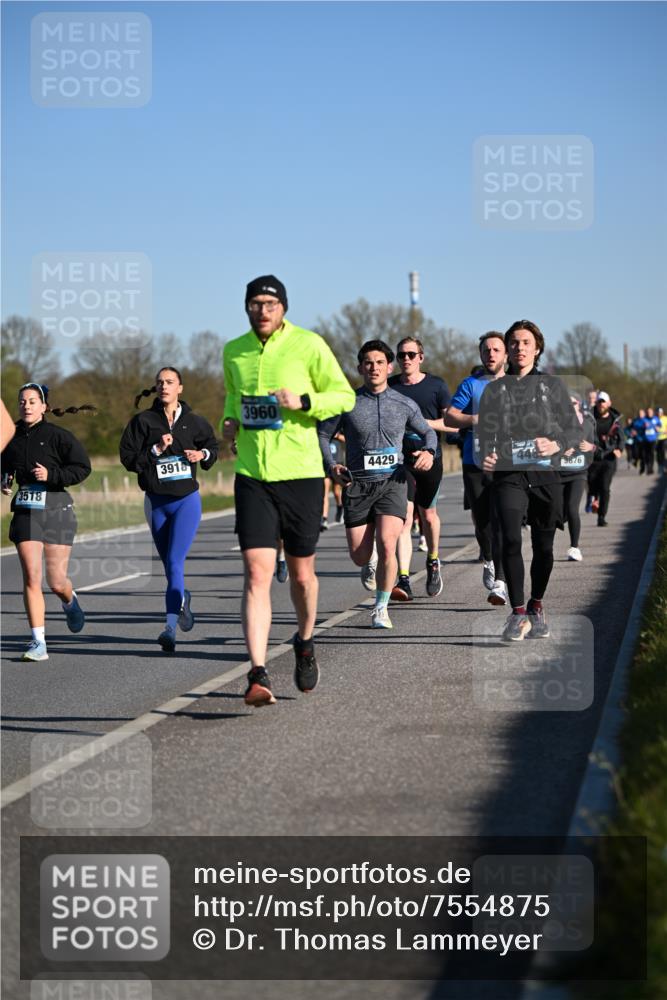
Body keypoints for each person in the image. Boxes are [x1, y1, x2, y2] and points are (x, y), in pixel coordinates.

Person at [222, 275, 355, 706]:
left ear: (283, 308)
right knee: (258, 574)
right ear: (246, 307)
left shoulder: (309, 345)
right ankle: (257, 673)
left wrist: (303, 401)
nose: (262, 310)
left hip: (299, 474)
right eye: (255, 303)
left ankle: (305, 640)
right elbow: (232, 398)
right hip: (252, 475)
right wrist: (229, 422)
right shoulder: (234, 351)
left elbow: (344, 396)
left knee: (301, 577)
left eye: (270, 303)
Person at [318, 340, 437, 630]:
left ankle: (381, 607)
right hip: (357, 485)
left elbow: (428, 433)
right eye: (368, 363)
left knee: (388, 544)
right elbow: (322, 435)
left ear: (389, 367)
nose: (374, 367)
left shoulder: (404, 403)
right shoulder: (348, 402)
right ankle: (369, 559)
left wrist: (428, 453)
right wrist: (331, 466)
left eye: (380, 362)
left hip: (392, 483)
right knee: (360, 555)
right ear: (360, 368)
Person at [477, 320, 582, 642]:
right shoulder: (495, 389)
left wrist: (558, 444)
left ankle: (537, 605)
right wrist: (488, 456)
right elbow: (486, 435)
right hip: (509, 475)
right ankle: (518, 612)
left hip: (546, 475)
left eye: (526, 342)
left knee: (544, 547)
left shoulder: (553, 386)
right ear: (507, 349)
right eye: (514, 342)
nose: (519, 347)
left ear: (537, 349)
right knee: (509, 539)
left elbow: (575, 432)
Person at [120, 367, 218, 652]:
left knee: (175, 562)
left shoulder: (195, 422)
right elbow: (127, 456)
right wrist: (155, 451)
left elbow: (213, 447)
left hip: (186, 500)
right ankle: (182, 597)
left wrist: (202, 454)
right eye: (160, 382)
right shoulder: (143, 422)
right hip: (155, 502)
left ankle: (169, 629)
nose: (164, 386)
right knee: (169, 567)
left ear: (180, 388)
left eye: (170, 382)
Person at [1, 383, 93, 661]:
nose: (26, 406)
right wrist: (5, 480)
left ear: (44, 406)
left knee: (55, 582)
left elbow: (82, 468)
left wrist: (51, 475)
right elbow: (4, 465)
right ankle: (38, 642)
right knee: (31, 577)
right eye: (22, 402)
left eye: (32, 401)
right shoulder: (10, 437)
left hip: (57, 511)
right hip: (27, 512)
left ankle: (69, 599)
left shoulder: (58, 436)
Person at [387, 337, 452, 600]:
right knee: (404, 517)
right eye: (401, 355)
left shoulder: (436, 386)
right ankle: (403, 578)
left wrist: (423, 425)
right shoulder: (390, 387)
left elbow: (453, 424)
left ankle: (433, 560)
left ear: (421, 357)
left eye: (411, 355)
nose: (406, 359)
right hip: (400, 462)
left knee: (428, 515)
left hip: (429, 459)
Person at [447, 332, 508, 605]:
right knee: (483, 523)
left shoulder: (519, 384)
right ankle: (489, 557)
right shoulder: (470, 384)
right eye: (486, 350)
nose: (491, 354)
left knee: (505, 522)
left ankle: (501, 583)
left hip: (509, 465)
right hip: (475, 463)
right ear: (480, 354)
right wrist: (474, 418)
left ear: (505, 353)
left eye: (496, 349)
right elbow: (450, 416)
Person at [560, 393, 596, 560]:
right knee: (557, 511)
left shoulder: (588, 424)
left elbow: (597, 448)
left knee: (572, 507)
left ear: (579, 405)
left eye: (573, 403)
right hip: (558, 473)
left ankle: (574, 547)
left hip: (578, 472)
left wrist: (591, 446)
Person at [587, 391, 623, 527]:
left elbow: (621, 438)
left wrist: (619, 448)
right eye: (599, 402)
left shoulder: (616, 420)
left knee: (605, 487)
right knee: (592, 484)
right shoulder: (590, 418)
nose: (601, 404)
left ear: (609, 403)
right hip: (593, 458)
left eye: (603, 402)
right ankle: (594, 499)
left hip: (609, 458)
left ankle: (601, 516)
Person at [321, 432, 345, 529]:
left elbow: (347, 439)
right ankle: (324, 519)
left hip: (337, 464)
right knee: (324, 493)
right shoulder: (323, 428)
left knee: (336, 492)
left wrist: (337, 436)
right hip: (326, 464)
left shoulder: (339, 424)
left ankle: (340, 506)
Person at [643, 407, 659, 474]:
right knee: (646, 454)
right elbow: (639, 427)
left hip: (653, 439)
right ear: (646, 413)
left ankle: (651, 468)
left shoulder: (656, 419)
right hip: (645, 439)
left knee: (652, 453)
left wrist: (657, 427)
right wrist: (644, 426)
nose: (649, 413)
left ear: (652, 412)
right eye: (648, 412)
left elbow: (659, 425)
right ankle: (648, 466)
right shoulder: (644, 419)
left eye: (650, 412)